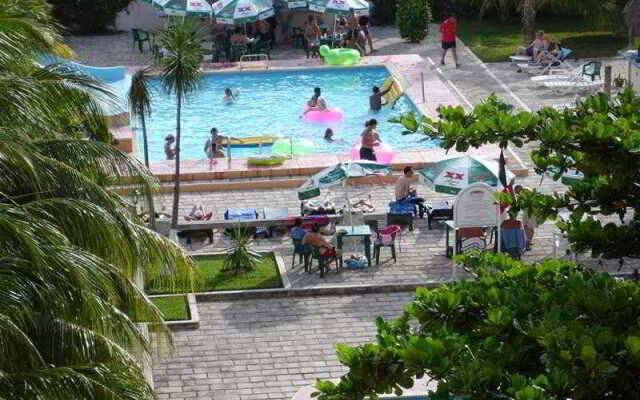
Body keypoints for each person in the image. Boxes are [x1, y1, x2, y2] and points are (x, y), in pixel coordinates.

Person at [514, 185, 537, 250]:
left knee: (530, 227)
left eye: (518, 192)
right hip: (525, 211)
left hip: (532, 211)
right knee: (525, 226)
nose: (518, 194)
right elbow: (520, 205)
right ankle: (528, 240)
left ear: (520, 188)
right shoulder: (520, 194)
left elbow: (534, 200)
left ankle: (528, 242)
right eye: (517, 193)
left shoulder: (527, 190)